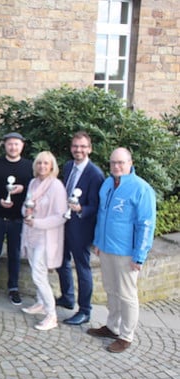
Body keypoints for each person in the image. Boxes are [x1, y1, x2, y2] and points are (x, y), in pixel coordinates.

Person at [87, 148, 156, 353]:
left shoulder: (141, 189)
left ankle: (126, 336)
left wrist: (139, 256)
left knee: (127, 295)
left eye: (121, 163)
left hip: (126, 253)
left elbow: (146, 224)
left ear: (130, 163)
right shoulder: (107, 184)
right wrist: (98, 242)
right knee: (111, 290)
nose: (116, 166)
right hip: (107, 248)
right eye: (113, 163)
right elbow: (102, 215)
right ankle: (112, 326)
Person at [56, 131, 105, 325]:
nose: (79, 150)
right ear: (71, 148)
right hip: (64, 224)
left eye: (83, 146)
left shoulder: (95, 174)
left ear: (90, 149)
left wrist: (81, 209)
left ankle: (85, 310)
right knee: (61, 261)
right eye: (76, 146)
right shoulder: (68, 166)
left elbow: (95, 205)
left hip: (81, 228)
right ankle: (67, 297)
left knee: (83, 268)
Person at [0, 132, 33, 306]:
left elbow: (34, 191)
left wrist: (22, 189)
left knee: (14, 255)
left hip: (18, 218)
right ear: (5, 145)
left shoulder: (29, 167)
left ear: (22, 146)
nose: (13, 147)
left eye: (16, 144)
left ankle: (14, 288)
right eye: (10, 144)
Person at [20, 151, 67, 331]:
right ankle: (40, 302)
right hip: (30, 234)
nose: (42, 166)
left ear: (52, 166)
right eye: (39, 163)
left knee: (38, 275)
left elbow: (60, 216)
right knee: (35, 269)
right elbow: (26, 205)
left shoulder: (56, 186)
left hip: (46, 237)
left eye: (46, 163)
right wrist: (26, 213)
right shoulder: (33, 183)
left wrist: (37, 222)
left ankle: (51, 314)